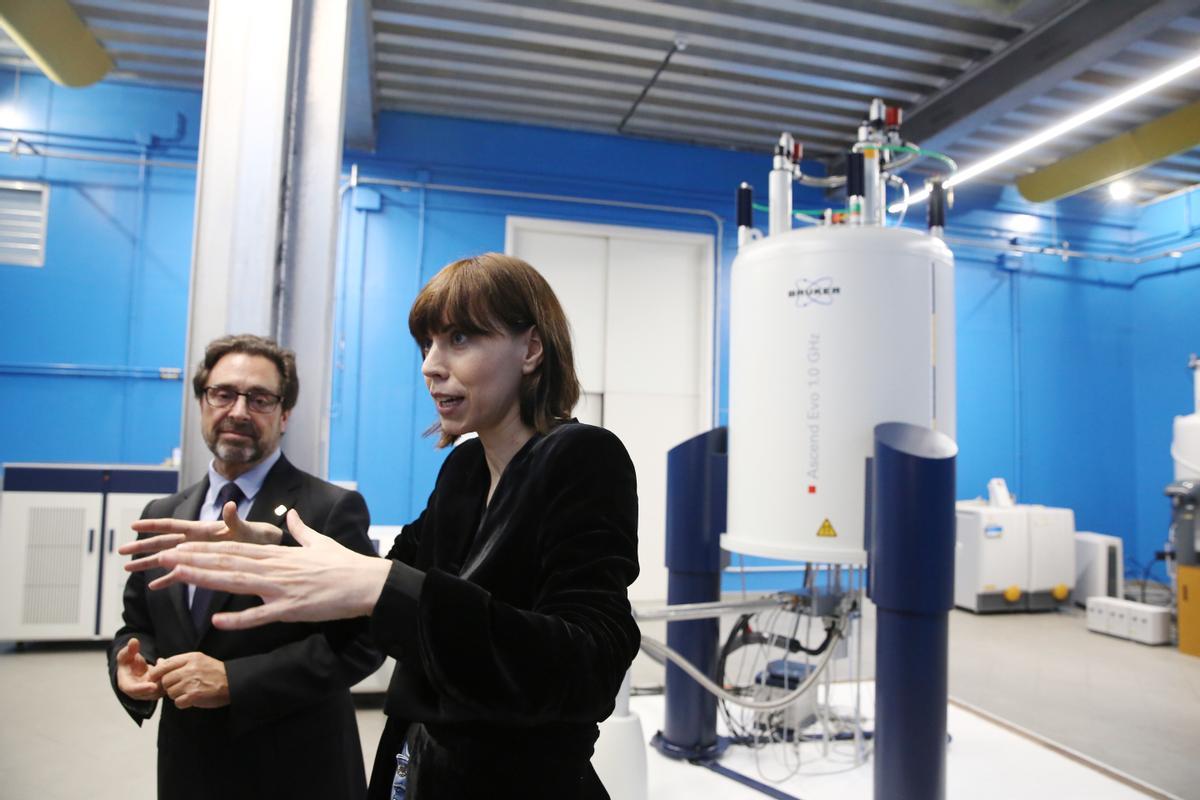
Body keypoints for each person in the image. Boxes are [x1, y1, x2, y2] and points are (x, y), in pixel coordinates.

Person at [130, 254, 642, 799]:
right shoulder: (464, 473)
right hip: (420, 770)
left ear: (532, 349)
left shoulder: (583, 457)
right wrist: (284, 547)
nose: (431, 365)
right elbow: (386, 598)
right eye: (428, 345)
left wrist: (382, 588)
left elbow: (589, 663)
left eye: (460, 339)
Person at [108, 334, 384, 800]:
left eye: (259, 398)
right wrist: (131, 666)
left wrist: (234, 682)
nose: (238, 411)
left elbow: (363, 643)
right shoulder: (165, 511)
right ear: (202, 402)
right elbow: (138, 623)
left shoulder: (328, 510)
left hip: (296, 770)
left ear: (285, 413)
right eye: (223, 394)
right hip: (188, 767)